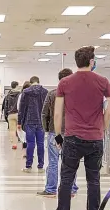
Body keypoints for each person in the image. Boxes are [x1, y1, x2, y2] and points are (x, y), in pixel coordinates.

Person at [52, 46, 110, 210]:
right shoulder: (103, 82)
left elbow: (57, 113)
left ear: (77, 62)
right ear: (92, 62)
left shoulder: (64, 83)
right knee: (93, 180)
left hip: (71, 138)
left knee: (66, 179)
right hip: (95, 138)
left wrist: (58, 135)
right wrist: (102, 129)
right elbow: (109, 111)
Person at [38, 68, 78, 197]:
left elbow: (44, 114)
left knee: (53, 162)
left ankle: (51, 189)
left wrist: (47, 130)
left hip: (55, 133)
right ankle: (71, 189)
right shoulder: (77, 95)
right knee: (71, 162)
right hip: (72, 133)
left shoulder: (52, 94)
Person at [18, 76, 48, 172]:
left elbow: (22, 108)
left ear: (31, 83)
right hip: (41, 122)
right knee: (41, 144)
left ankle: (28, 166)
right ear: (39, 82)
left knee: (30, 143)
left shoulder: (26, 92)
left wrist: (19, 122)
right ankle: (40, 166)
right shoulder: (45, 92)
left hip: (29, 121)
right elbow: (48, 107)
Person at [17, 81, 31, 158]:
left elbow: (18, 108)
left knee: (24, 136)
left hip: (24, 118)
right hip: (31, 118)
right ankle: (28, 152)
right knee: (29, 136)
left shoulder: (21, 95)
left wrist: (19, 121)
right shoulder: (33, 95)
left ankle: (26, 152)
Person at [5, 81, 21, 149]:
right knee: (20, 129)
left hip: (10, 114)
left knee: (12, 130)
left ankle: (14, 144)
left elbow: (6, 106)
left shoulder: (8, 95)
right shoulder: (20, 94)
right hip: (18, 114)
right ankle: (21, 142)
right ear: (17, 86)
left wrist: (6, 115)